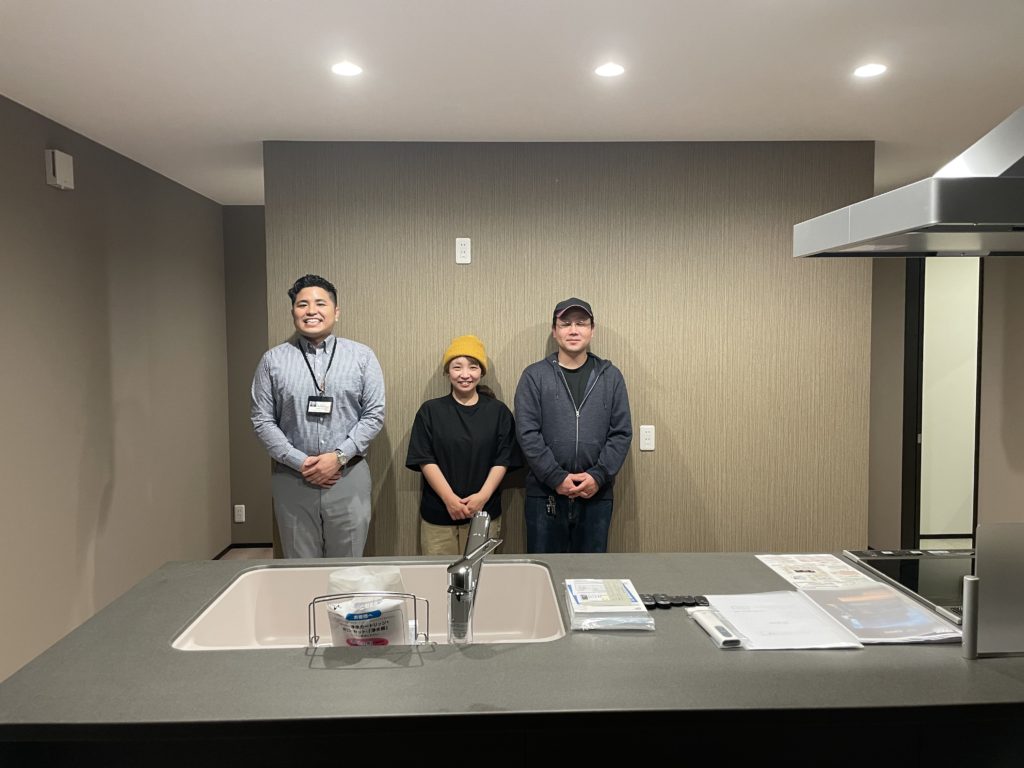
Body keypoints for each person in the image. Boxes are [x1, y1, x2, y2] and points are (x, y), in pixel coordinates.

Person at [251, 274, 385, 558]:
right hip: (292, 477)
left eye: (320, 303)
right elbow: (262, 420)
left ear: (336, 311)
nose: (311, 311)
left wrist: (338, 457)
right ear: (293, 312)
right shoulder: (272, 361)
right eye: (302, 304)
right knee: (300, 566)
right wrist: (301, 463)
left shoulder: (362, 356)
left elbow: (374, 414)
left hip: (348, 475)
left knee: (347, 567)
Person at [514, 298, 632, 553]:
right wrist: (556, 477)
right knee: (545, 570)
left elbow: (621, 433)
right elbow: (527, 432)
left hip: (596, 494)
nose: (573, 330)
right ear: (554, 331)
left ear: (592, 330)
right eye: (565, 324)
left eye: (581, 323)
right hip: (545, 494)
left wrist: (598, 476)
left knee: (590, 573)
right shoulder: (534, 376)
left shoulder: (611, 376)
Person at [406, 335, 521, 556]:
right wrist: (449, 499)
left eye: (473, 367)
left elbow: (503, 459)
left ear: (482, 372)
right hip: (438, 514)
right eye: (457, 367)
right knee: (439, 574)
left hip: (484, 513)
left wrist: (482, 497)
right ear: (447, 372)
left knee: (480, 575)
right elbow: (424, 458)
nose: (465, 374)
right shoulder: (430, 411)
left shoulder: (498, 412)